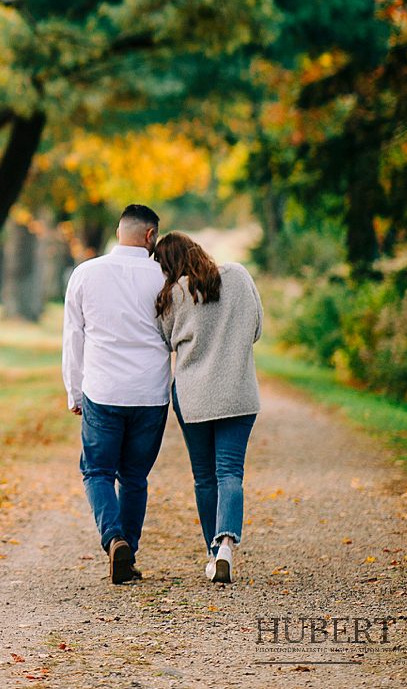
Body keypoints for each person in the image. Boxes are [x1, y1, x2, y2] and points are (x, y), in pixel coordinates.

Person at [61, 203, 170, 584]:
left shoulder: (86, 273)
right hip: (150, 392)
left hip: (103, 390)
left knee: (98, 471)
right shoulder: (165, 276)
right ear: (150, 236)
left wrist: (74, 391)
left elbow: (74, 336)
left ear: (120, 230)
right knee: (135, 476)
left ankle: (114, 539)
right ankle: (129, 554)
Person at [151, 230, 264, 584]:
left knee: (204, 477)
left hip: (194, 397)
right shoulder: (239, 276)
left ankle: (213, 555)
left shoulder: (173, 295)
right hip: (238, 393)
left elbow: (166, 340)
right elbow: (257, 329)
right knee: (230, 472)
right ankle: (227, 543)